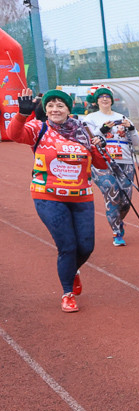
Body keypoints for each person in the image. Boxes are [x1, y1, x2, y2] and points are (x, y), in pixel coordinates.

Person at [8, 87, 108, 313]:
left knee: (86, 247)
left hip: (82, 196)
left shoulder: (83, 131)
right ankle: (67, 293)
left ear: (68, 109)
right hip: (48, 196)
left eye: (60, 105)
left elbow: (101, 164)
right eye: (50, 106)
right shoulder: (38, 128)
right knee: (68, 246)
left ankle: (72, 271)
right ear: (46, 109)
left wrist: (100, 146)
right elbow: (14, 134)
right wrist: (22, 114)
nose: (55, 109)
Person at [83, 86, 139, 247]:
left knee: (126, 201)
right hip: (102, 163)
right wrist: (102, 130)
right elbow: (87, 141)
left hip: (125, 162)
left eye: (107, 96)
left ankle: (118, 221)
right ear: (96, 101)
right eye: (101, 97)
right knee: (113, 193)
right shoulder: (90, 119)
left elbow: (136, 142)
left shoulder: (122, 117)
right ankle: (116, 232)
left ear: (112, 100)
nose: (104, 99)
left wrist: (131, 128)